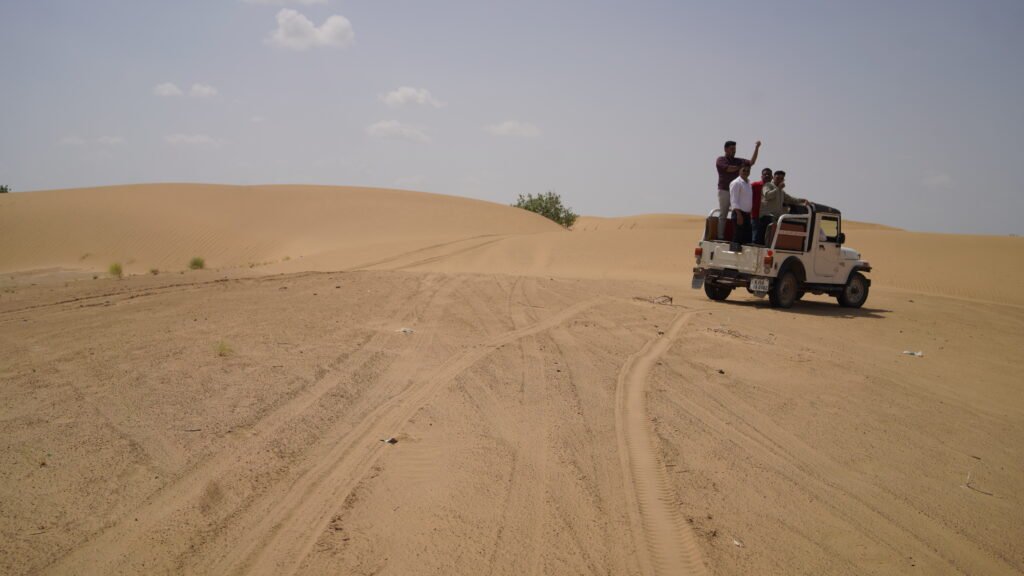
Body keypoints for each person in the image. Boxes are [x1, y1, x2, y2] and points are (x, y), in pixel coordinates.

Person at [716, 140, 760, 239]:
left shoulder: (738, 161)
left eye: (735, 149)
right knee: (723, 214)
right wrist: (741, 166)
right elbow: (729, 169)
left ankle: (736, 236)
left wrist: (757, 148)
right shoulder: (721, 160)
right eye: (732, 149)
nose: (734, 151)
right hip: (725, 190)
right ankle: (720, 237)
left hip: (739, 190)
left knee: (739, 213)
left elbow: (751, 162)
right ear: (725, 149)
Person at [756, 170, 809, 245]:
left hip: (775, 219)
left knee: (770, 241)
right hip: (766, 217)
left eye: (781, 179)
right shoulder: (768, 185)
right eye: (778, 178)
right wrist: (778, 189)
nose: (779, 180)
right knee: (761, 241)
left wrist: (802, 200)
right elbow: (767, 195)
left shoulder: (781, 192)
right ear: (773, 178)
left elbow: (791, 199)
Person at [729, 165, 754, 250]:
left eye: (748, 171)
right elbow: (734, 199)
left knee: (746, 239)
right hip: (739, 213)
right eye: (744, 170)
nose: (746, 172)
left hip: (747, 215)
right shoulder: (736, 183)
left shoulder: (748, 183)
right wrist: (739, 214)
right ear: (739, 171)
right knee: (737, 237)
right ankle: (732, 258)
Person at [751, 167, 772, 244]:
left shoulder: (773, 188)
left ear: (772, 177)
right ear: (761, 176)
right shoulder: (754, 185)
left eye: (769, 174)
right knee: (755, 239)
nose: (767, 176)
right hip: (756, 216)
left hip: (768, 217)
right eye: (765, 174)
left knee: (765, 241)